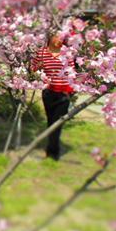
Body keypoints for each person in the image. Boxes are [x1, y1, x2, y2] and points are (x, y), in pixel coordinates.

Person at [31, 32, 74, 160]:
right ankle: (50, 150)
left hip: (64, 92)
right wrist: (38, 69)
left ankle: (53, 153)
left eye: (62, 38)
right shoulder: (42, 52)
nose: (59, 40)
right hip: (48, 92)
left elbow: (72, 71)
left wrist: (71, 90)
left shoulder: (67, 52)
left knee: (58, 123)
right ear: (50, 38)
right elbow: (33, 68)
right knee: (50, 122)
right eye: (56, 37)